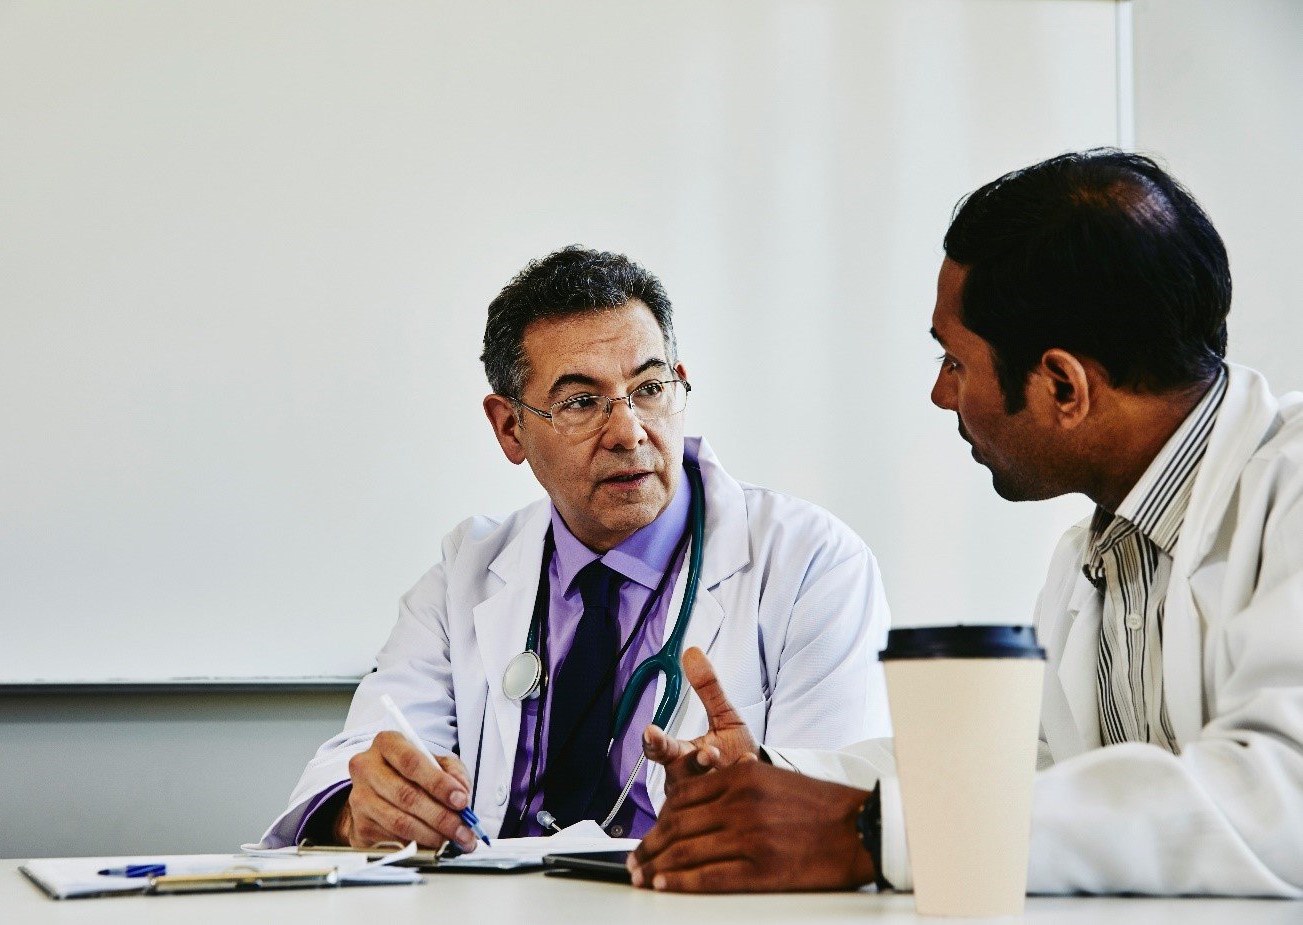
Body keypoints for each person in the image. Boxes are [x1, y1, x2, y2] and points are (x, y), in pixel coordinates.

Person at [629, 150, 1303, 896]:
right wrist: (776, 778)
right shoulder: (1093, 553)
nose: (938, 393)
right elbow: (1037, 774)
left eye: (955, 361)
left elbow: (1281, 800)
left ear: (1061, 384)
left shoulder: (1291, 488)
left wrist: (876, 832)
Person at [259, 246, 891, 852]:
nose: (628, 431)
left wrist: (766, 786)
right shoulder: (467, 573)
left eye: (649, 389)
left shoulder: (809, 562)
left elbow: (838, 813)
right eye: (581, 402)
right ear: (510, 427)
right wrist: (363, 808)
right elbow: (364, 753)